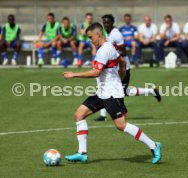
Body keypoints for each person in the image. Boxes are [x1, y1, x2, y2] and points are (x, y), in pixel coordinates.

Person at [63, 22, 162, 164]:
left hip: (112, 95)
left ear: (98, 34)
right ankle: (82, 153)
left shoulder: (104, 50)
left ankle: (154, 145)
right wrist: (120, 78)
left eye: (91, 37)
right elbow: (122, 62)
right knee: (79, 115)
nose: (90, 40)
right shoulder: (109, 46)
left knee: (121, 125)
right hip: (102, 93)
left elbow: (97, 72)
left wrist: (74, 75)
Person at [93, 14, 161, 122]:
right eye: (104, 22)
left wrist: (110, 54)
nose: (106, 24)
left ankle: (108, 115)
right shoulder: (105, 33)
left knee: (117, 90)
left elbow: (123, 51)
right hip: (113, 67)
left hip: (123, 67)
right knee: (111, 88)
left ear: (112, 23)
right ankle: (151, 91)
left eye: (108, 22)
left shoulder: (116, 34)